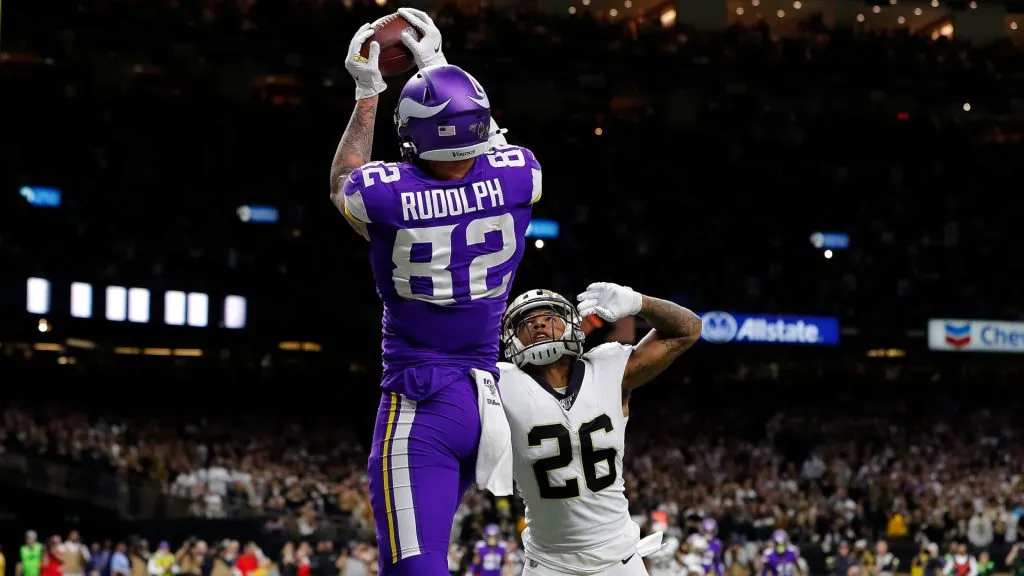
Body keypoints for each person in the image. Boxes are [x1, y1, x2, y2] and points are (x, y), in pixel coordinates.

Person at [330, 9, 540, 576]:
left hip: (422, 402)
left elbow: (342, 180)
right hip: (491, 397)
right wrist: (439, 67)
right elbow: (485, 140)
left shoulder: (385, 195)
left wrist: (368, 91)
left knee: (414, 568)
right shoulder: (521, 174)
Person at [498, 283, 703, 575]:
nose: (539, 324)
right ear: (511, 338)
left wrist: (638, 301)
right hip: (549, 562)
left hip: (619, 557)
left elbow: (689, 329)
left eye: (549, 317)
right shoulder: (500, 383)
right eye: (527, 322)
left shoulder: (608, 367)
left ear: (571, 324)